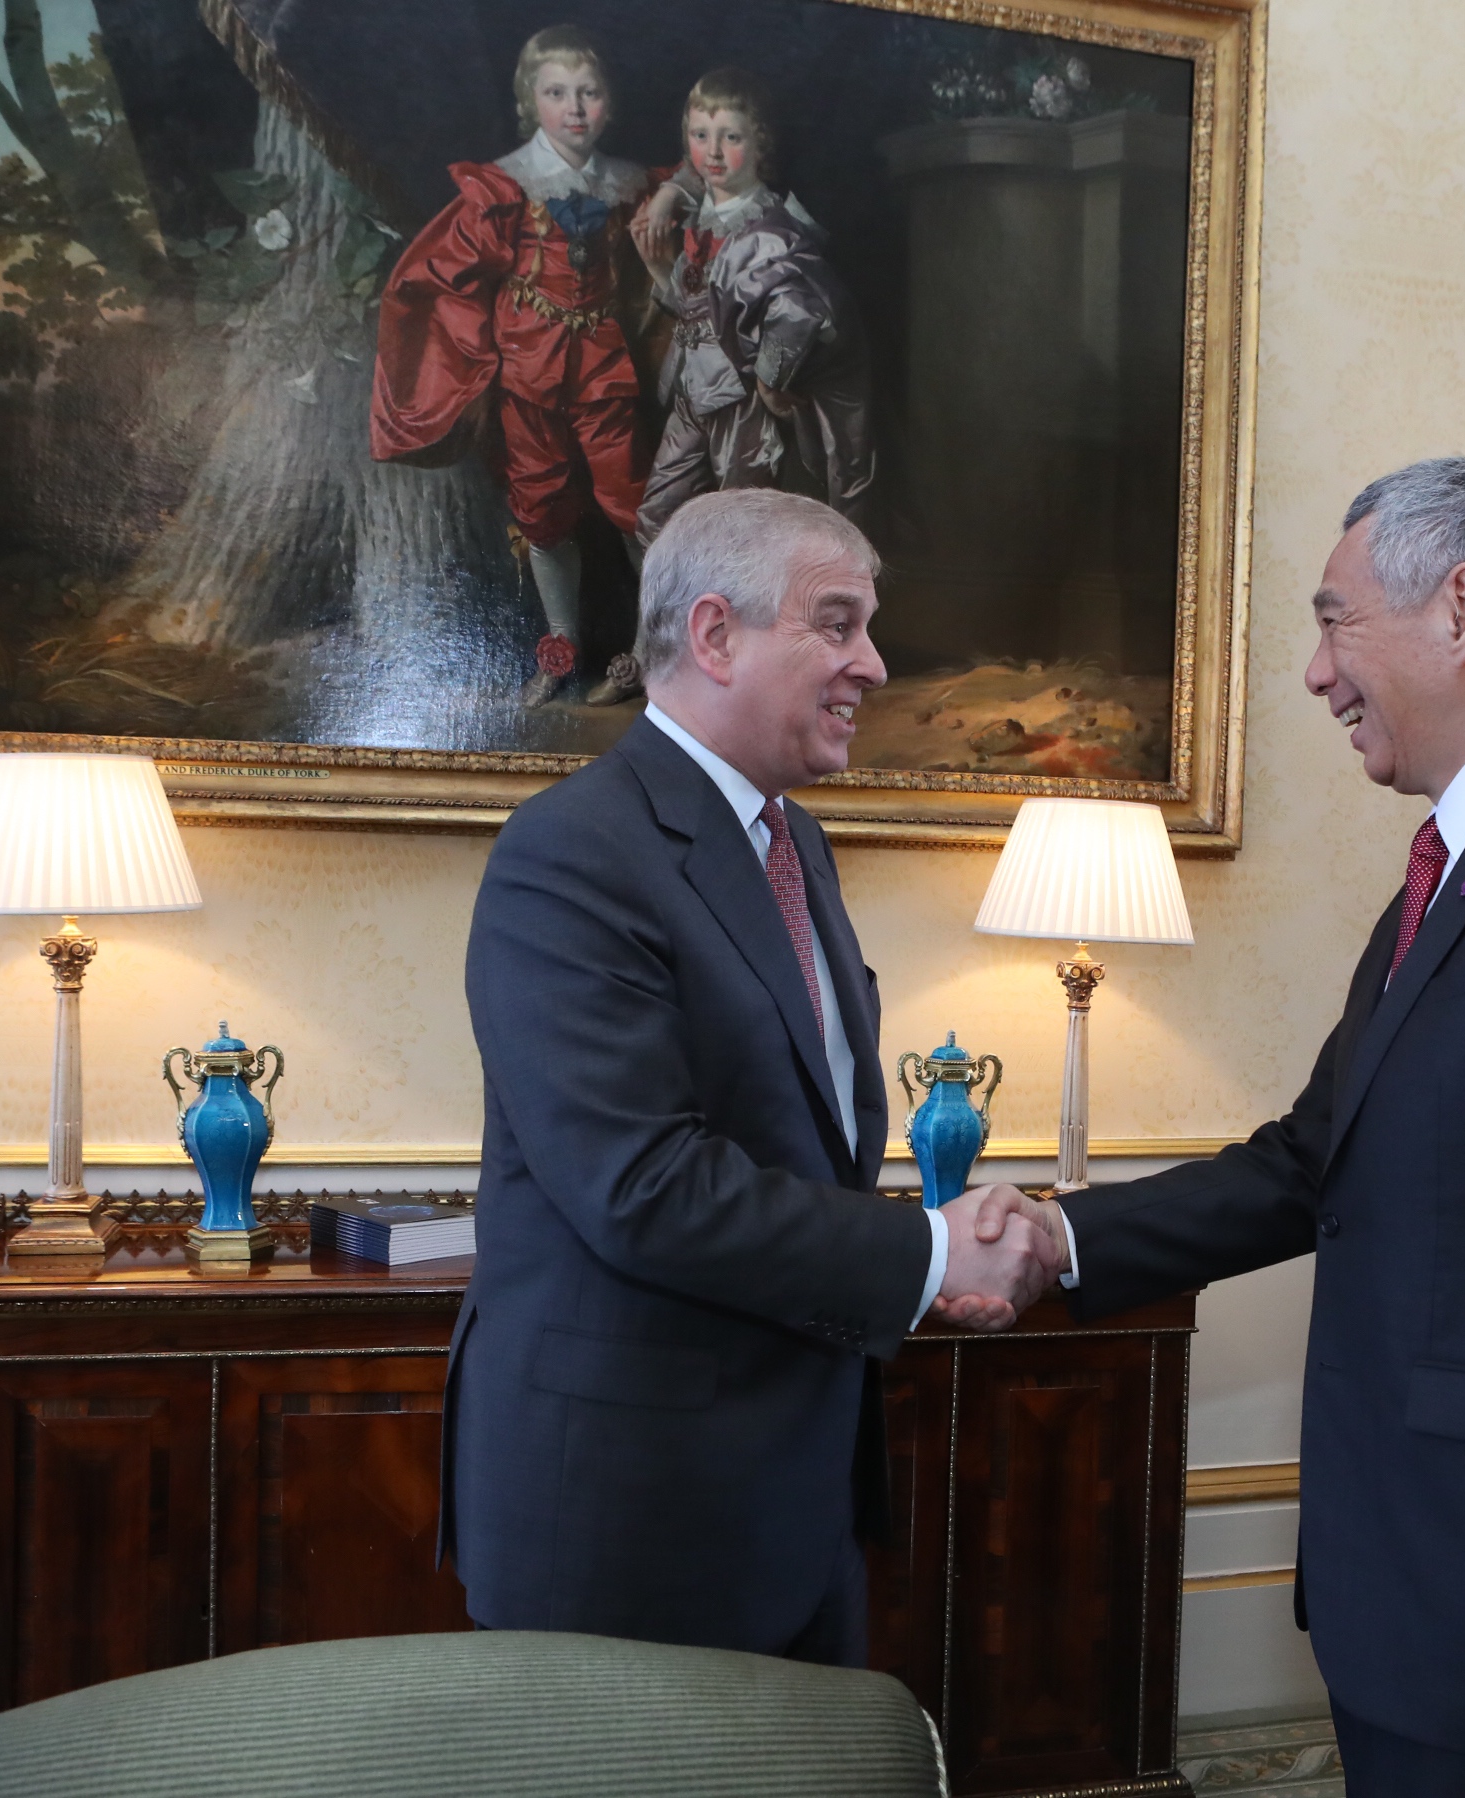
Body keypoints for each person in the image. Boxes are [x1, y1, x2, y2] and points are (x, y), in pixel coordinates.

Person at [970, 458, 1465, 1798]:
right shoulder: (1461, 866)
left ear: (1462, 608)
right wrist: (1059, 1235)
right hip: (1414, 1600)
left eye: (1335, 620)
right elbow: (1308, 1161)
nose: (1316, 673)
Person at [447, 488, 1055, 1664]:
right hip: (628, 1517)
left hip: (792, 1491)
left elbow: (796, 1141)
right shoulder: (570, 849)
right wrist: (927, 1252)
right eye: (837, 624)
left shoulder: (792, 839)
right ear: (716, 636)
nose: (873, 664)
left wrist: (915, 1265)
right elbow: (642, 1186)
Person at [371, 26, 679, 707]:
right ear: (529, 101)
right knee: (540, 509)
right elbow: (443, 275)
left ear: (609, 104)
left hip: (602, 362)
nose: (575, 109)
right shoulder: (504, 184)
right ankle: (560, 651)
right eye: (557, 93)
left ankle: (650, 652)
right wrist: (471, 359)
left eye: (590, 93)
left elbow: (689, 180)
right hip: (527, 367)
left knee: (633, 503)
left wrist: (664, 199)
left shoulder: (627, 181)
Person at [630, 67, 874, 547]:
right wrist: (661, 270)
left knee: (743, 526)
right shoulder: (702, 217)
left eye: (731, 137)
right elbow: (697, 307)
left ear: (760, 147)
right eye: (701, 136)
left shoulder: (771, 227)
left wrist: (769, 379)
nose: (714, 151)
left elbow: (801, 311)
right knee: (656, 519)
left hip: (741, 398)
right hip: (692, 391)